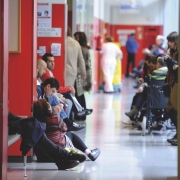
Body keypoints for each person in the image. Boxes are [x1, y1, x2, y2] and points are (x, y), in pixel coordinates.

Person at [8, 112, 87, 170]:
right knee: (35, 128)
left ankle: (63, 158)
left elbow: (8, 116)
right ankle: (63, 158)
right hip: (6, 126)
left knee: (35, 128)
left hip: (9, 124)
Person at [33, 99, 101, 161]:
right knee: (70, 135)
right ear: (48, 109)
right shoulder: (55, 119)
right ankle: (88, 152)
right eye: (49, 105)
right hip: (59, 153)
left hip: (41, 156)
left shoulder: (34, 123)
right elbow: (65, 128)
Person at [125, 55, 167, 121]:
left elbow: (147, 81)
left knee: (143, 92)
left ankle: (136, 111)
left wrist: (142, 85)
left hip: (153, 97)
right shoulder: (169, 73)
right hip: (166, 98)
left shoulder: (153, 74)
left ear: (158, 64)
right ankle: (135, 111)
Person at [163, 32, 179, 146]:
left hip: (177, 85)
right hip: (172, 84)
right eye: (168, 41)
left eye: (171, 41)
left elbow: (176, 69)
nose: (169, 43)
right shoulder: (172, 52)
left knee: (172, 110)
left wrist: (170, 62)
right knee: (170, 110)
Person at [73, 31, 93, 120]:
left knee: (78, 94)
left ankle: (80, 113)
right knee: (80, 94)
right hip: (83, 74)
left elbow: (82, 63)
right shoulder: (85, 48)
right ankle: (82, 112)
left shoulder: (80, 49)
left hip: (79, 74)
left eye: (76, 37)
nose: (75, 39)